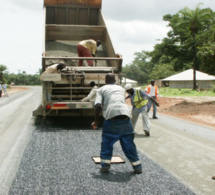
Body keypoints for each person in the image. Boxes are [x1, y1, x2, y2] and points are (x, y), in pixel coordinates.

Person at [91, 74, 142, 174]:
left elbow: (98, 106)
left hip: (112, 118)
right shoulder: (121, 89)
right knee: (129, 144)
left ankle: (105, 167)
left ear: (105, 81)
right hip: (126, 117)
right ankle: (138, 167)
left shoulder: (101, 89)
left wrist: (96, 121)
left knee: (107, 143)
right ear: (115, 80)